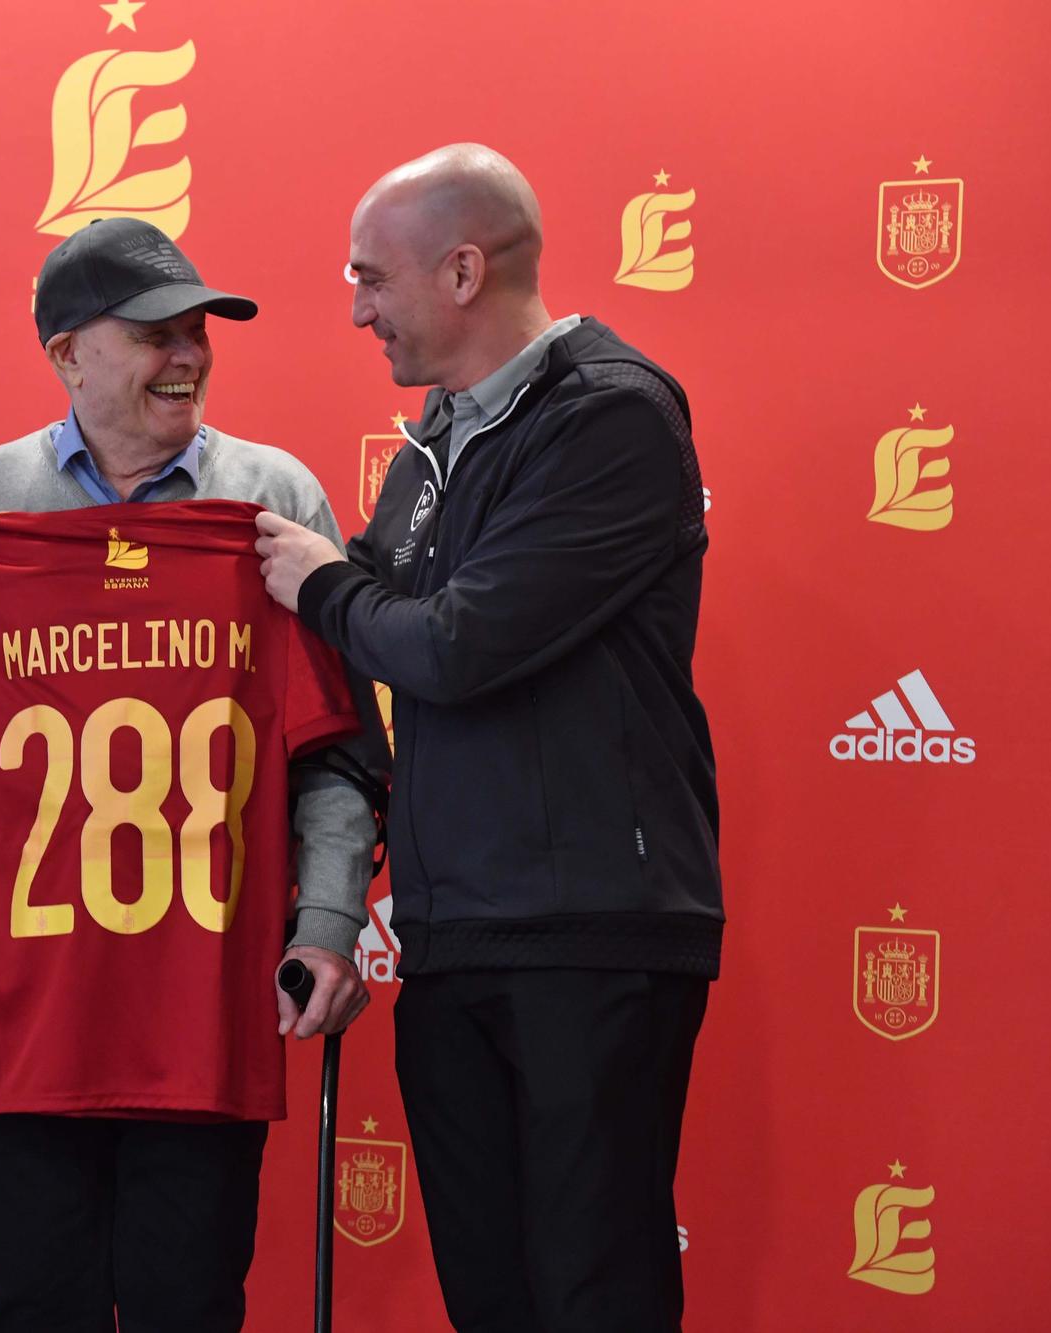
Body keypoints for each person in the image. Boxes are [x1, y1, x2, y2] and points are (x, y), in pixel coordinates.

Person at [0, 218, 385, 1333]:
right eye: (151, 334)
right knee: (36, 1302)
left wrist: (325, 918)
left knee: (190, 1300)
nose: (185, 354)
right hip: (27, 1008)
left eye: (196, 331)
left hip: (205, 1002)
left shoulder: (269, 501)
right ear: (64, 353)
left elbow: (335, 749)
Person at [255, 144, 721, 1331]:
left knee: (589, 1284)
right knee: (491, 1288)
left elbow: (453, 644)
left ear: (461, 270)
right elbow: (368, 614)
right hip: (455, 926)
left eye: (372, 279)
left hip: (590, 928)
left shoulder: (609, 414)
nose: (356, 309)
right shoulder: (434, 438)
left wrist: (312, 583)